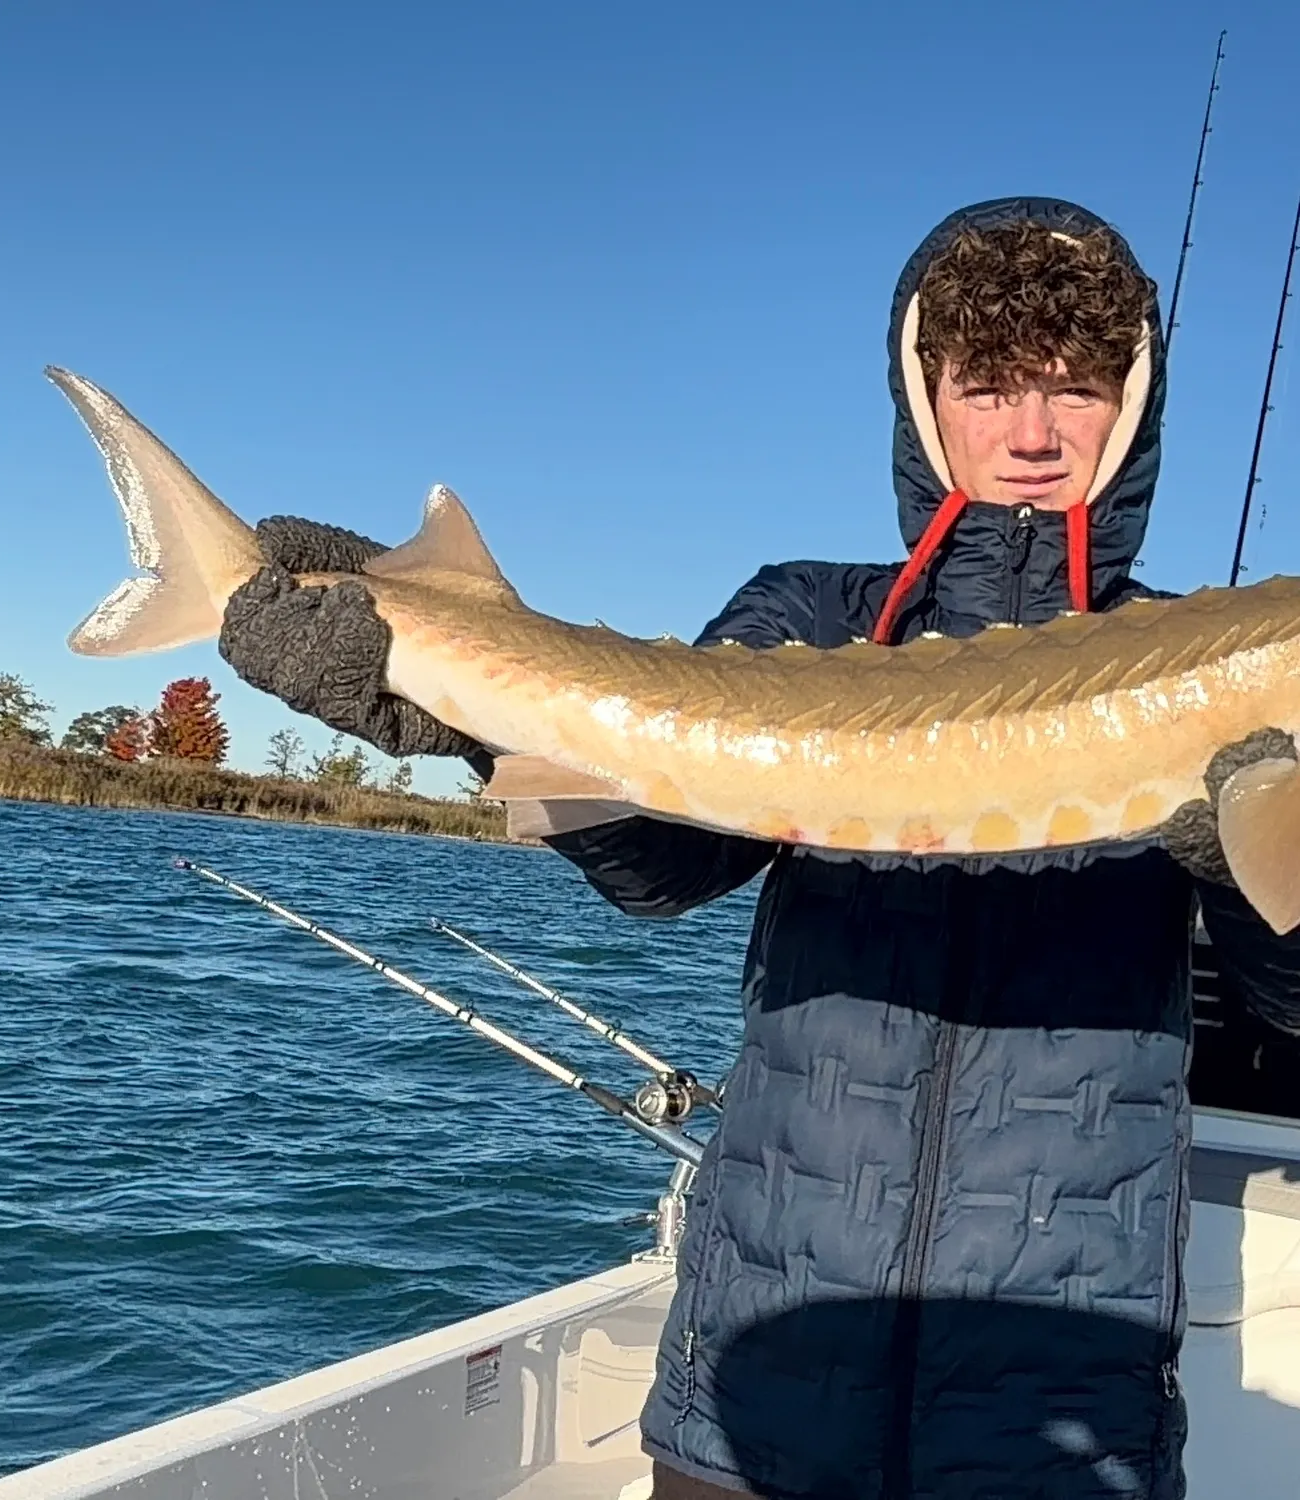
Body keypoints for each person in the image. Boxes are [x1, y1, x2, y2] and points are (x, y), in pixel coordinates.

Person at [218, 197, 1300, 1498]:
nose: (1029, 432)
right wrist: (456, 716)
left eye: (1074, 389)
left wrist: (1237, 834)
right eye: (990, 384)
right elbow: (662, 867)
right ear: (924, 397)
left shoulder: (1213, 641)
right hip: (760, 1384)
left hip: (1060, 1412)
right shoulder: (810, 613)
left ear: (1131, 410)